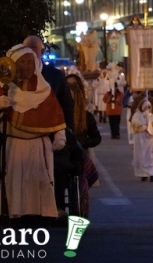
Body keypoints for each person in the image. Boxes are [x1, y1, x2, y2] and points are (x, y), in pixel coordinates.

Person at [0, 44, 67, 219]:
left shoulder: (44, 90)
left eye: (31, 61)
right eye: (23, 62)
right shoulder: (4, 86)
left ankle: (41, 213)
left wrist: (60, 135)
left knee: (38, 181)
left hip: (39, 145)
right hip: (13, 144)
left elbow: (55, 113)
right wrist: (0, 105)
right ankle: (14, 213)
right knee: (15, 182)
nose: (28, 66)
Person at [57, 75, 101, 218]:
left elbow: (96, 138)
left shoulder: (86, 116)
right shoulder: (60, 114)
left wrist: (81, 144)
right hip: (63, 154)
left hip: (78, 156)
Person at [23, 35, 74, 130]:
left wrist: (67, 130)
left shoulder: (55, 75)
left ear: (41, 51)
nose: (29, 52)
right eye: (26, 48)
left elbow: (66, 104)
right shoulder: (17, 75)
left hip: (50, 132)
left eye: (34, 48)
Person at [131, 99, 153, 182]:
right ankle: (143, 174)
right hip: (140, 141)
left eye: (149, 107)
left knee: (152, 157)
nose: (148, 108)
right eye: (146, 107)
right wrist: (144, 118)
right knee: (141, 157)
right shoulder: (136, 116)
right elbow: (136, 127)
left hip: (151, 142)